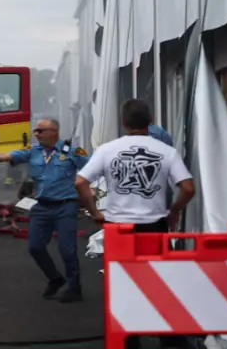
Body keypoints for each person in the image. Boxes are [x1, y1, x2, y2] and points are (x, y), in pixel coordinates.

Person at [75, 99, 196, 348]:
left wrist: (95, 211)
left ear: (123, 122)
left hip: (119, 229)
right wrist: (174, 210)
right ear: (150, 121)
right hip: (155, 226)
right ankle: (168, 337)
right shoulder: (166, 151)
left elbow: (80, 182)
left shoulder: (108, 150)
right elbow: (188, 188)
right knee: (162, 282)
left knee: (123, 285)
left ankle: (129, 339)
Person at [0, 118, 89, 303]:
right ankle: (55, 278)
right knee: (35, 247)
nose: (36, 134)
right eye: (35, 131)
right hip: (42, 206)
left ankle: (74, 287)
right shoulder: (32, 152)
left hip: (65, 205)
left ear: (54, 131)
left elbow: (92, 168)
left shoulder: (72, 152)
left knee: (67, 250)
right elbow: (5, 156)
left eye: (40, 131)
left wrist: (89, 193)